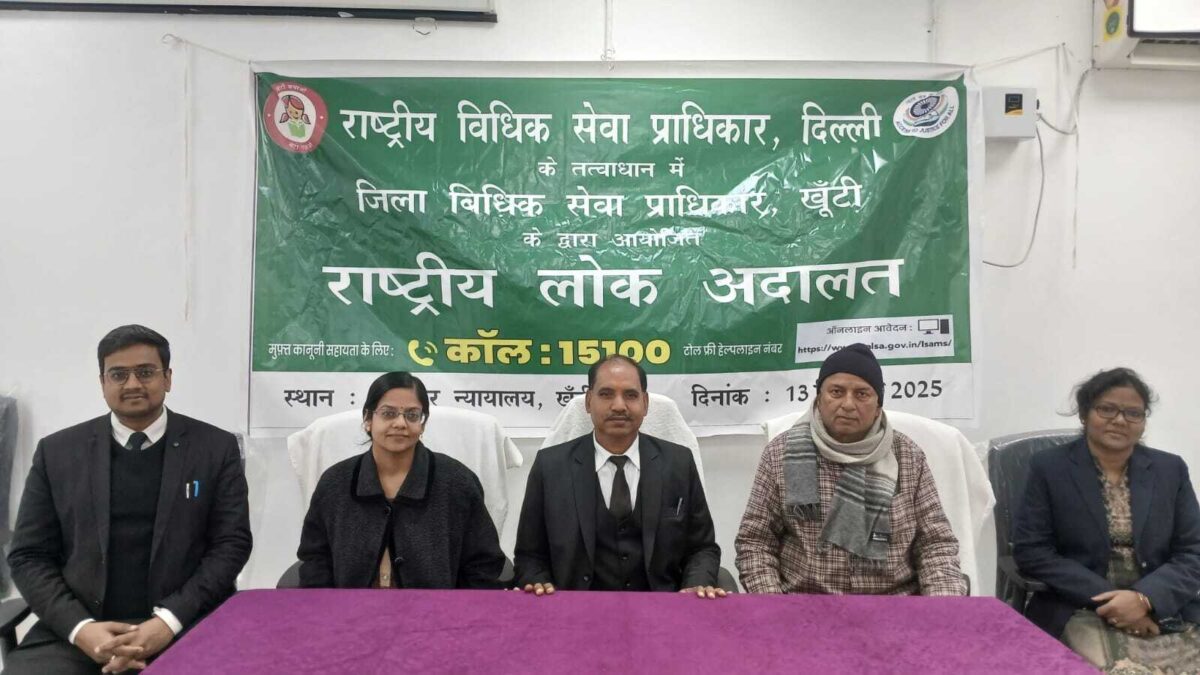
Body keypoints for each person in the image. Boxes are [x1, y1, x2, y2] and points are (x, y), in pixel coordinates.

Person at [6, 325, 252, 674]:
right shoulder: (57, 453)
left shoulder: (214, 448)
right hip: (80, 629)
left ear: (168, 378)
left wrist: (167, 622)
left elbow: (231, 545)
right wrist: (81, 629)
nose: (133, 384)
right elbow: (29, 555)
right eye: (118, 374)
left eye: (146, 372)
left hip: (187, 622)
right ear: (102, 382)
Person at [735, 343, 965, 596]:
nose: (847, 404)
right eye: (836, 392)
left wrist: (942, 607)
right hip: (805, 602)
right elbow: (755, 542)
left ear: (878, 406)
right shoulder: (780, 454)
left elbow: (935, 545)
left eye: (862, 394)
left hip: (893, 603)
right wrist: (775, 606)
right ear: (819, 398)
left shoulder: (908, 457)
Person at [1013, 367, 1200, 671]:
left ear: (1143, 422)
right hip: (1081, 606)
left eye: (1133, 413)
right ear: (1084, 414)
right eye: (1107, 409)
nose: (1120, 420)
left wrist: (1144, 600)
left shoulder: (1170, 470)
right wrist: (1115, 603)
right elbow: (1032, 551)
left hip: (1162, 606)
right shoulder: (1049, 468)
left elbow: (1193, 551)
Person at [514, 355, 724, 598]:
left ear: (645, 403)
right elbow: (529, 554)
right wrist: (538, 583)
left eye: (631, 395)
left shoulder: (678, 462)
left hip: (660, 608)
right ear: (588, 401)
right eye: (606, 394)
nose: (619, 406)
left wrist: (696, 583)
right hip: (575, 607)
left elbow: (702, 548)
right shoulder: (550, 466)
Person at [296, 372, 505, 589]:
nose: (400, 423)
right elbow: (315, 559)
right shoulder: (335, 483)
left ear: (423, 424)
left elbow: (483, 563)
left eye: (412, 415)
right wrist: (325, 607)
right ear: (368, 419)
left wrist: (457, 608)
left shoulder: (457, 482)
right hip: (350, 609)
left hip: (435, 609)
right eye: (388, 413)